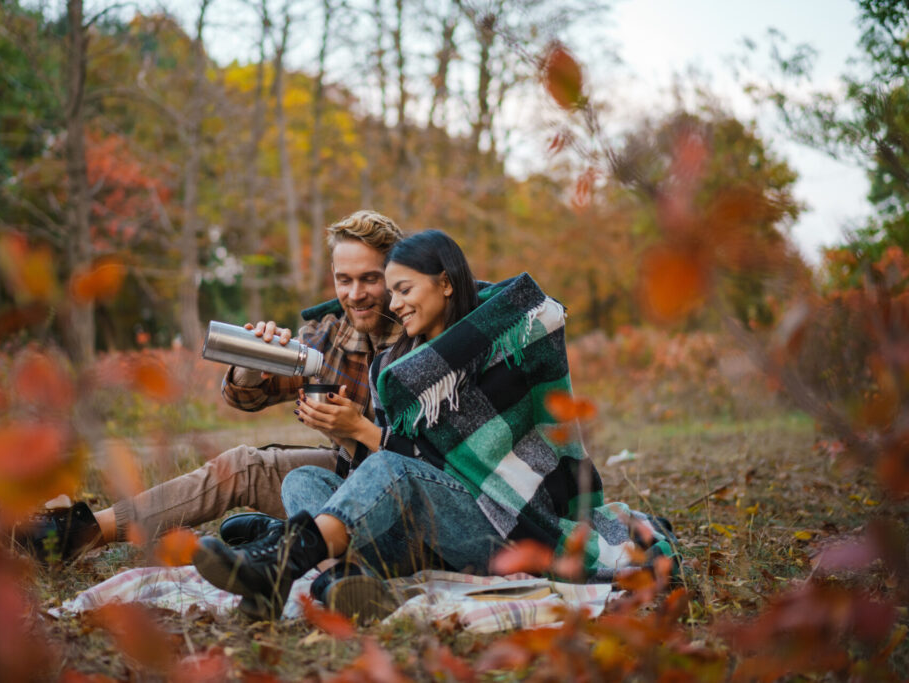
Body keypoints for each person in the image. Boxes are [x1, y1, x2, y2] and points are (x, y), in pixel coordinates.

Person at [192, 230, 676, 621]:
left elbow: (437, 467)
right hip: (427, 535)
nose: (395, 304)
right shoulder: (397, 368)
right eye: (394, 292)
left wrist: (362, 430)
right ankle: (336, 580)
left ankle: (283, 565)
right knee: (306, 479)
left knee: (394, 472)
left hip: (504, 524)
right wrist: (348, 433)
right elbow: (388, 466)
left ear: (445, 283)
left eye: (405, 290)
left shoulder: (501, 347)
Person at [0, 210, 404, 563]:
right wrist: (253, 356)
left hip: (400, 490)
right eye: (344, 280)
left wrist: (356, 425)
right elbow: (243, 398)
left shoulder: (419, 339)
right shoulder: (326, 335)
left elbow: (434, 458)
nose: (356, 293)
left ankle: (282, 540)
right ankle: (73, 535)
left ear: (395, 275)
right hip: (340, 471)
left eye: (370, 278)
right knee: (241, 464)